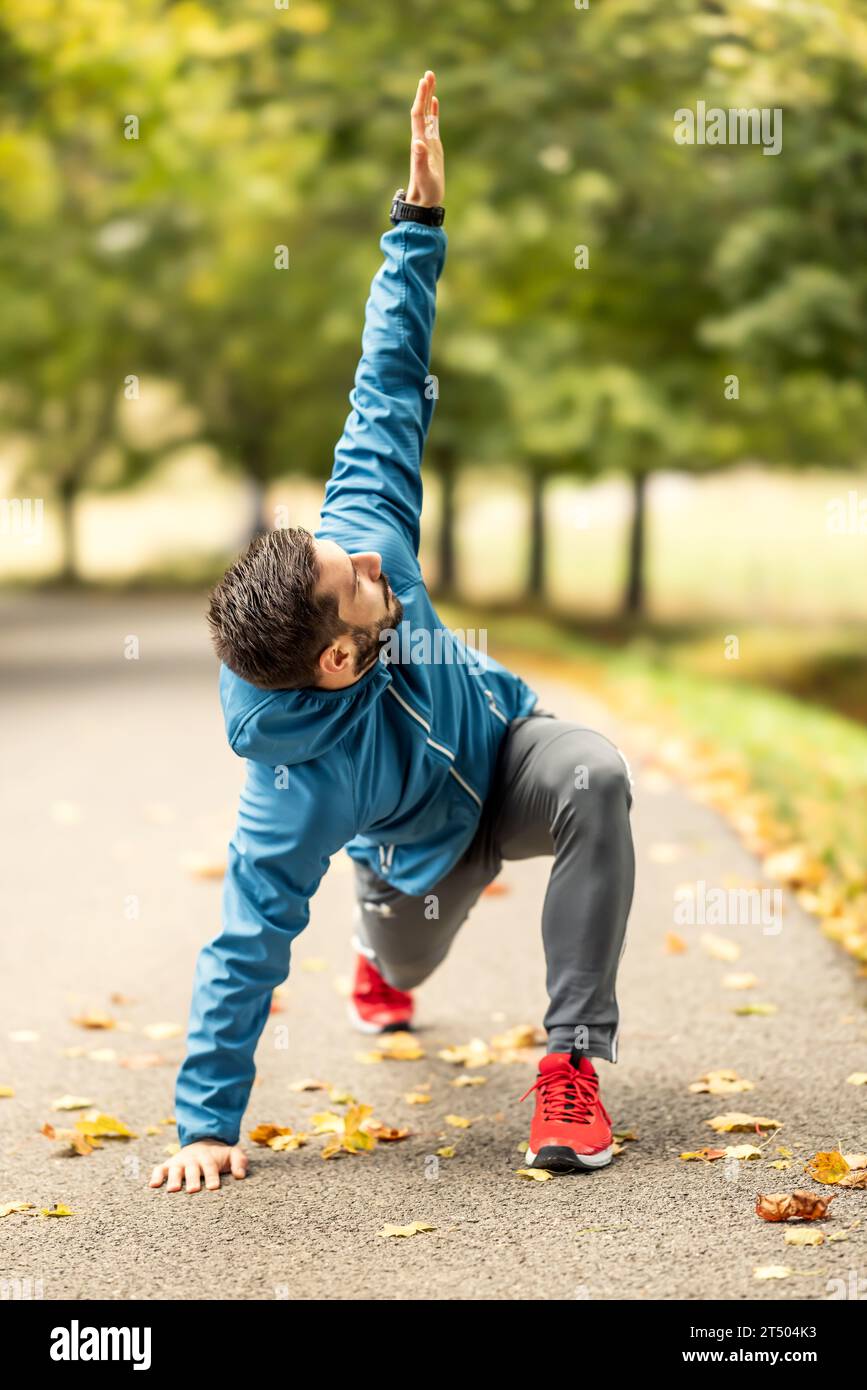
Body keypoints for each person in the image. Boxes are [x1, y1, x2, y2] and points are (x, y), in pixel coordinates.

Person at [150, 71, 635, 1196]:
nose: (366, 560)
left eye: (347, 550)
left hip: (505, 751)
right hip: (414, 859)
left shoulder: (362, 530)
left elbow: (384, 384)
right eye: (349, 579)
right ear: (332, 657)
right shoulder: (294, 789)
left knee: (596, 777)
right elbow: (245, 943)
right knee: (406, 945)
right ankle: (383, 964)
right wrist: (205, 1122)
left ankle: (570, 1065)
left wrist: (416, 219)